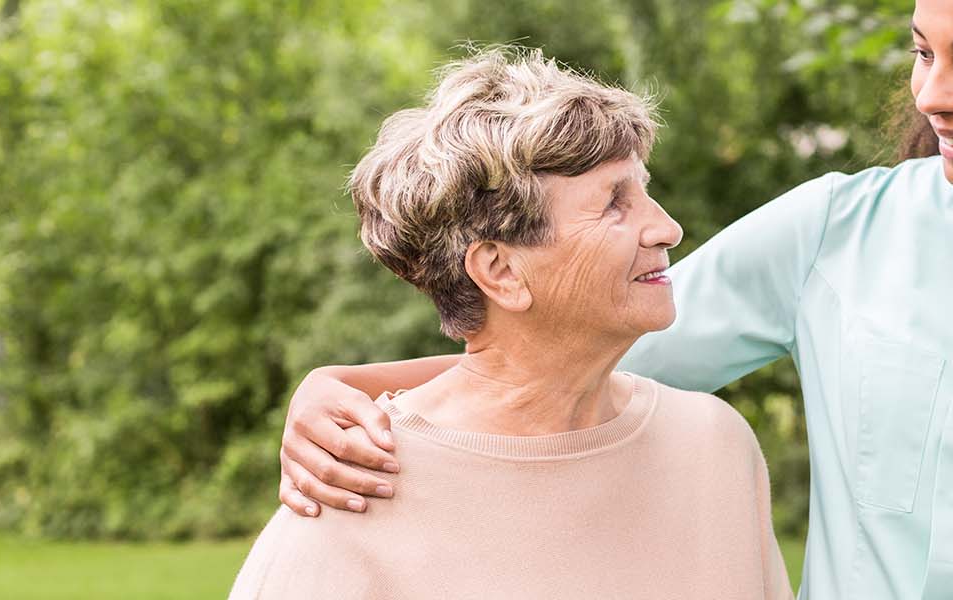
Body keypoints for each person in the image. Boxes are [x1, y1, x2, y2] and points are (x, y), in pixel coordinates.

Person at [276, 0, 953, 598]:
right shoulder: (836, 228)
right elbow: (578, 347)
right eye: (922, 53)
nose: (932, 95)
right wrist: (351, 386)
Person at [228, 48, 792, 599]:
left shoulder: (714, 445)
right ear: (501, 271)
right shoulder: (347, 492)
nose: (667, 229)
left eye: (645, 190)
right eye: (614, 203)